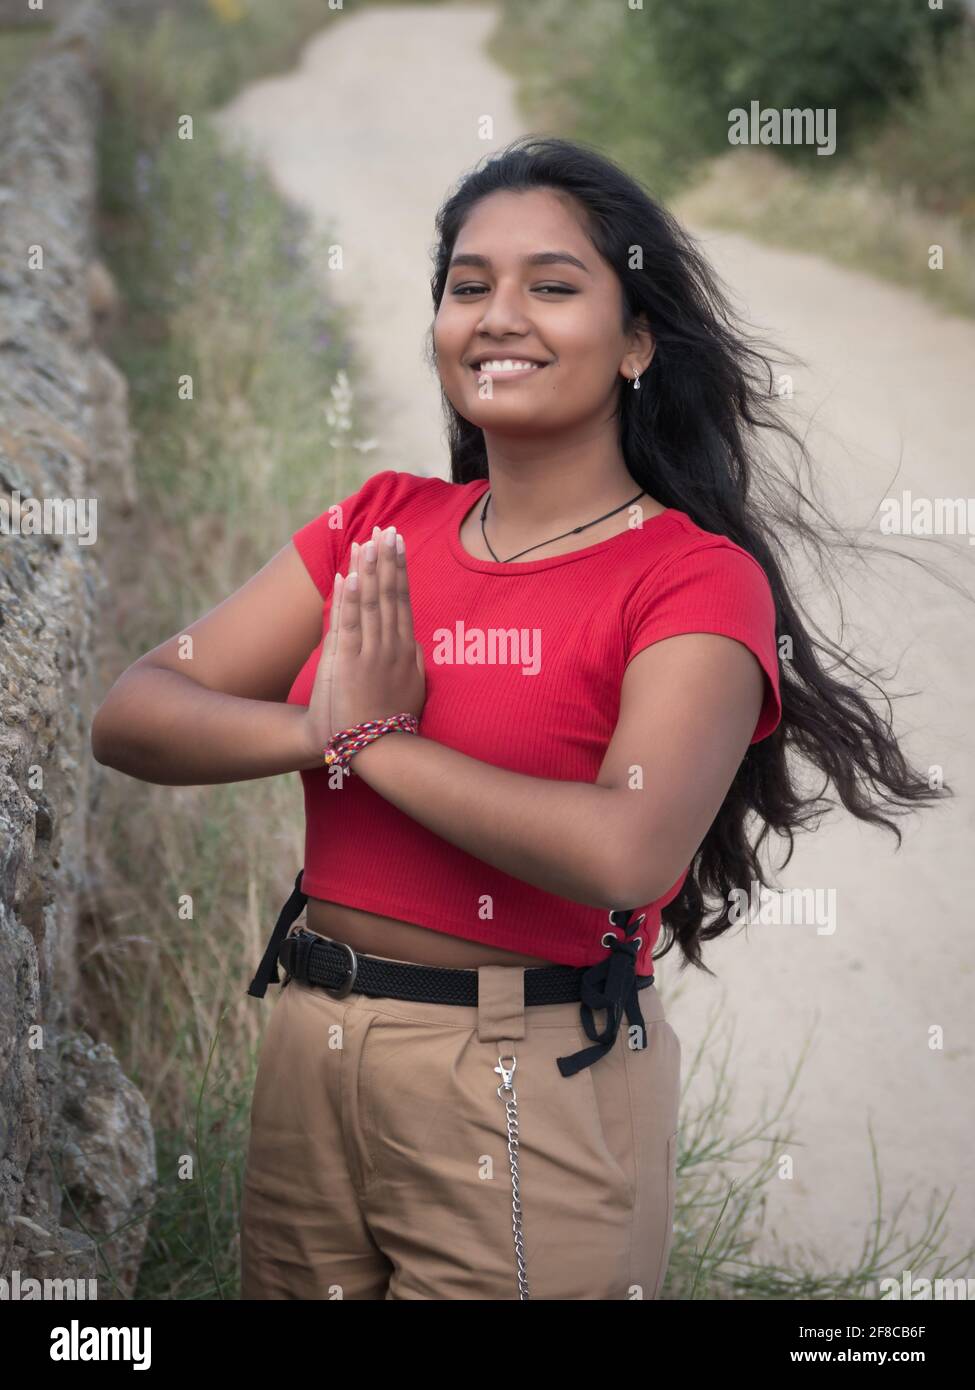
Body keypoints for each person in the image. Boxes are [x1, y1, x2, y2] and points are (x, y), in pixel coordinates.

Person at [90, 135, 944, 1301]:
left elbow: (626, 850)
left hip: (526, 1071)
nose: (499, 315)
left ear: (638, 339)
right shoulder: (379, 527)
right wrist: (322, 728)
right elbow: (134, 712)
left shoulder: (693, 581)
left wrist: (384, 746)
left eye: (552, 285)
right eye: (467, 285)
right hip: (309, 1046)